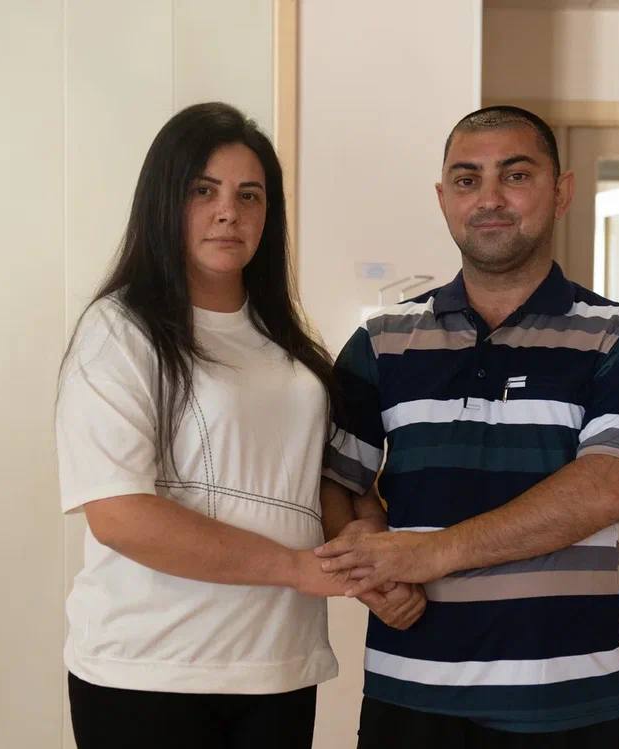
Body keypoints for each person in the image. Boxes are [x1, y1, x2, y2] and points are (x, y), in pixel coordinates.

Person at [55, 102, 424, 749]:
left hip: (277, 662)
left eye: (248, 195)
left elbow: (318, 482)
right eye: (204, 191)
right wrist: (295, 568)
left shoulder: (288, 347)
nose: (229, 211)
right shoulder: (119, 331)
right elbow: (118, 514)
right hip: (153, 666)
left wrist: (365, 552)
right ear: (163, 201)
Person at [317, 105, 619, 748]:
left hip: (565, 695)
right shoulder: (381, 340)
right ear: (444, 199)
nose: (490, 198)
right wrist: (374, 571)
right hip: (409, 689)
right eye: (467, 179)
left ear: (561, 192)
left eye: (516, 175)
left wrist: (430, 553)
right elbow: (335, 484)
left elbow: (609, 486)